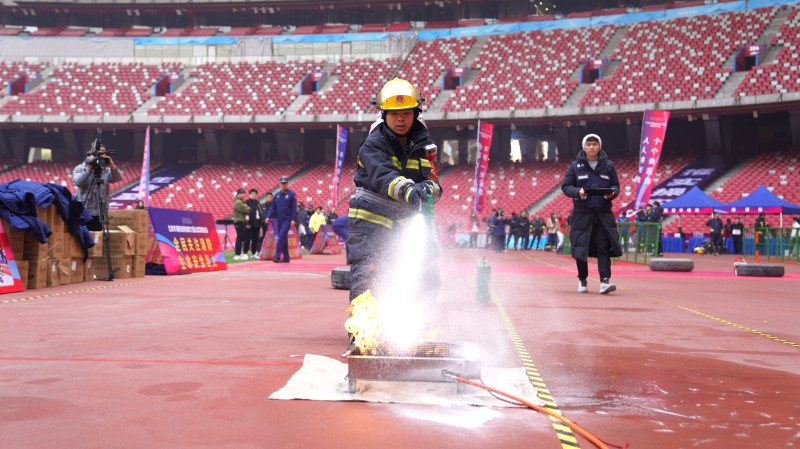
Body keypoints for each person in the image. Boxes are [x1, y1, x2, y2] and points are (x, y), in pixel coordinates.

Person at [347, 77, 443, 303]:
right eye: (394, 114)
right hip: (370, 222)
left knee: (426, 276)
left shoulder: (423, 146)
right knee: (369, 274)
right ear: (384, 115)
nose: (401, 119)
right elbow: (383, 175)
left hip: (403, 220)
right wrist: (410, 190)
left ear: (416, 114)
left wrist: (428, 189)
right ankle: (363, 324)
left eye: (407, 113)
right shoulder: (372, 145)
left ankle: (418, 320)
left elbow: (433, 181)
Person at [561, 133, 623, 294]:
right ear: (584, 147)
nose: (592, 147)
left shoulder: (608, 165)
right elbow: (566, 187)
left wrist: (612, 193)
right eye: (589, 144)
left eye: (595, 144)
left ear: (599, 146)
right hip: (582, 213)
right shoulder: (575, 166)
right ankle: (582, 280)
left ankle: (604, 281)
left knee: (603, 245)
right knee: (581, 247)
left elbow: (616, 185)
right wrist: (578, 192)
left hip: (603, 213)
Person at [72, 144, 123, 231]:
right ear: (92, 153)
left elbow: (118, 178)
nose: (101, 155)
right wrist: (88, 169)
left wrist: (112, 166)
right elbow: (77, 183)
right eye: (99, 152)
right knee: (83, 236)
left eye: (103, 152)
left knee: (98, 237)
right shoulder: (80, 168)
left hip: (100, 212)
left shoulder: (106, 170)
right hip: (83, 211)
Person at [267, 176, 297, 263]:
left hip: (287, 219)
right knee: (283, 237)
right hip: (279, 220)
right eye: (282, 183)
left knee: (281, 236)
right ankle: (286, 257)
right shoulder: (277, 195)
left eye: (285, 183)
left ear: (287, 184)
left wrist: (293, 219)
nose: (283, 185)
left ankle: (277, 256)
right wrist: (268, 216)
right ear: (279, 184)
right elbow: (272, 208)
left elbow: (294, 208)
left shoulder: (291, 194)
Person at [244, 188, 263, 259]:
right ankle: (245, 253)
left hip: (257, 224)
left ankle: (254, 253)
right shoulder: (247, 202)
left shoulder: (258, 203)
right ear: (249, 195)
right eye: (252, 194)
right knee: (247, 239)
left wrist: (260, 222)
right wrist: (246, 222)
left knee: (255, 239)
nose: (254, 195)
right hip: (249, 224)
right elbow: (245, 213)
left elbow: (260, 212)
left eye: (255, 194)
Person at [232, 188, 251, 260]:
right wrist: (247, 208)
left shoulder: (241, 201)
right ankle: (237, 254)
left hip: (241, 220)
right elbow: (246, 209)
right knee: (240, 237)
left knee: (241, 237)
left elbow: (247, 208)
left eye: (243, 193)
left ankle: (239, 253)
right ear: (238, 194)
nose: (243, 195)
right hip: (239, 221)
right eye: (241, 193)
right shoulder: (238, 202)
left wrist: (247, 208)